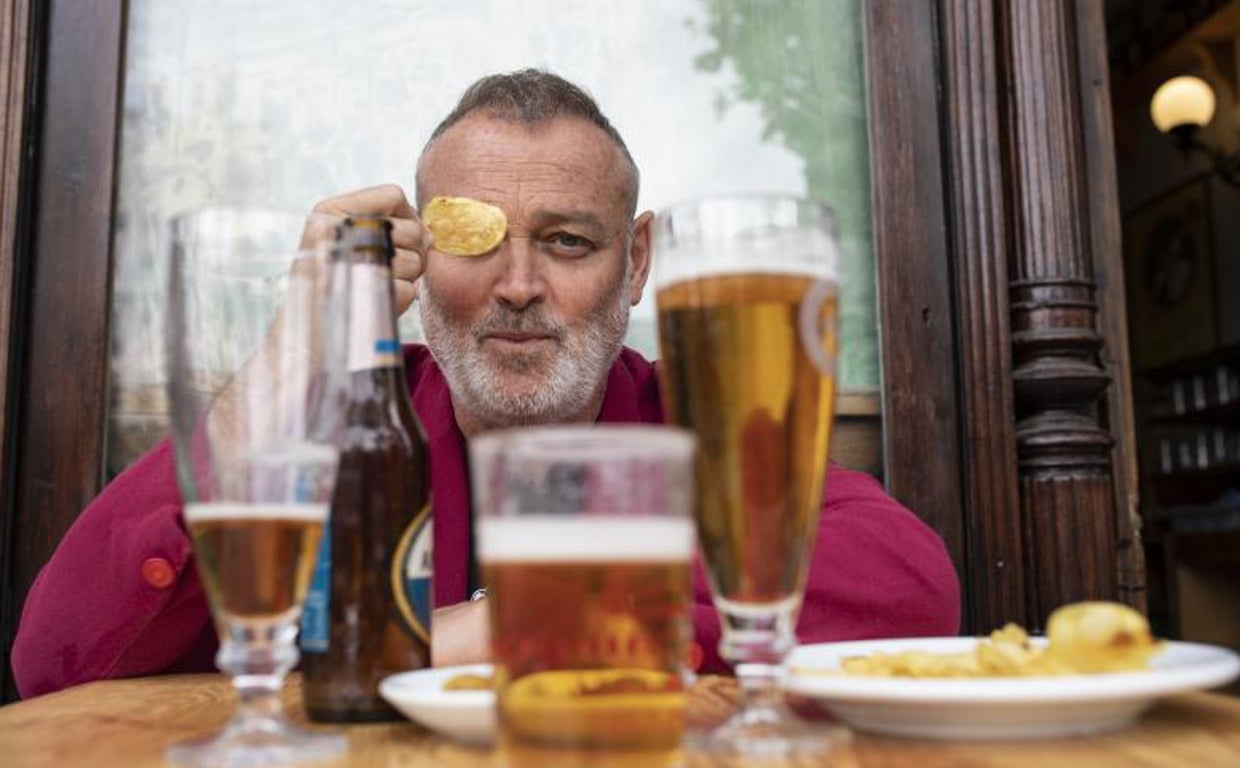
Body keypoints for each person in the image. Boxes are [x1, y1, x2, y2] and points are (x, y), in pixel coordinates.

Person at [11, 69, 959, 698]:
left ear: (635, 265)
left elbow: (907, 584)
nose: (516, 287)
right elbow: (60, 655)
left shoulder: (693, 425)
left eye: (567, 241)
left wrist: (495, 631)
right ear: (420, 253)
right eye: (474, 241)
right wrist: (292, 349)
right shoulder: (346, 437)